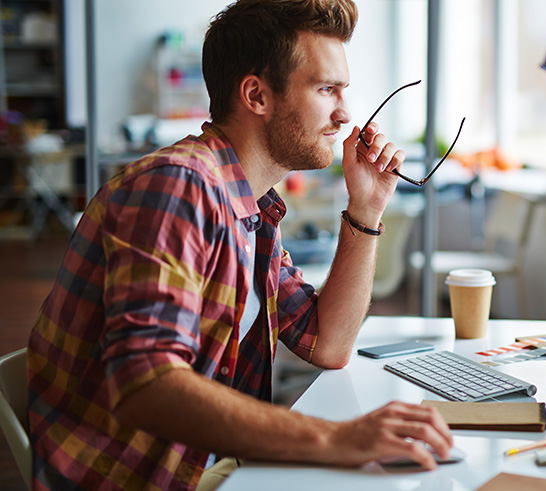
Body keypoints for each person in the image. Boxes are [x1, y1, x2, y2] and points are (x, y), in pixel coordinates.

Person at [25, 1, 453, 489]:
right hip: (142, 478)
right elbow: (146, 382)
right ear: (256, 95)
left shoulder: (251, 208)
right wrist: (335, 438)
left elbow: (328, 344)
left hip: (208, 466)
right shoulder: (177, 187)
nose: (344, 114)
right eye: (325, 89)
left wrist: (367, 209)